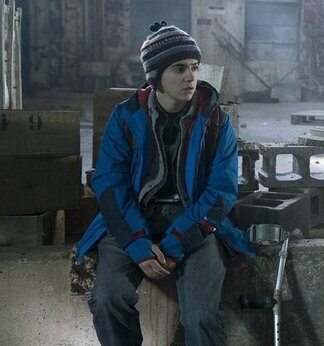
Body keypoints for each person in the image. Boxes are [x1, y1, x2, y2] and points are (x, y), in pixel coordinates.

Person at [75, 21, 254, 345]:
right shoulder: (125, 117)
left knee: (201, 317)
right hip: (135, 217)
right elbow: (111, 185)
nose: (191, 76)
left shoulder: (216, 121)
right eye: (179, 68)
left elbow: (221, 192)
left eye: (195, 67)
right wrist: (137, 245)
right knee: (107, 299)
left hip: (195, 221)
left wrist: (175, 244)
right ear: (155, 76)